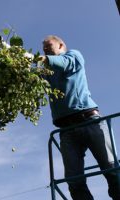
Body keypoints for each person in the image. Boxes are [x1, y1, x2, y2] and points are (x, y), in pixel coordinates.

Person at [40, 35, 120, 200]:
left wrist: (42, 59)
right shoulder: (46, 72)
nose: (45, 50)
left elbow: (65, 64)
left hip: (90, 121)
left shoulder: (73, 56)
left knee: (111, 170)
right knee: (74, 180)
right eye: (44, 48)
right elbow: (32, 78)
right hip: (66, 131)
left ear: (61, 45)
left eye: (49, 45)